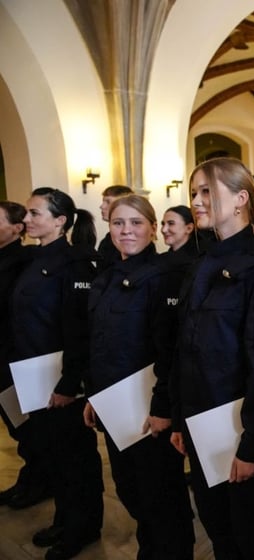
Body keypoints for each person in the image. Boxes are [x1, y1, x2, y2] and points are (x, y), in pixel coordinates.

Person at [171, 158, 254, 560]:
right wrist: (180, 420)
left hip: (241, 433)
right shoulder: (201, 264)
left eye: (206, 191)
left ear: (242, 198)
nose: (196, 201)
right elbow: (184, 348)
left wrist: (253, 445)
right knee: (221, 533)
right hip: (200, 424)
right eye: (193, 193)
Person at [84, 195, 195, 558]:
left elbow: (169, 350)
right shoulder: (106, 277)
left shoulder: (166, 277)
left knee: (161, 495)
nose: (126, 230)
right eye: (118, 223)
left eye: (135, 222)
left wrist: (163, 407)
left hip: (150, 409)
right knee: (129, 489)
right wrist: (93, 397)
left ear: (152, 228)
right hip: (113, 407)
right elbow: (99, 344)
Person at [10, 187, 104, 560]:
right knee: (55, 458)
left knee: (76, 460)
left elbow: (78, 331)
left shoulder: (74, 264)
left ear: (60, 221)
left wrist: (68, 385)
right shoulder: (35, 258)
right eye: (28, 214)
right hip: (35, 376)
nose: (27, 220)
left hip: (60, 381)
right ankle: (66, 519)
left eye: (35, 214)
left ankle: (83, 527)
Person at [0, 201, 51, 510]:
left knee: (27, 428)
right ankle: (31, 477)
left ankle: (39, 481)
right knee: (16, 426)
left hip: (14, 357)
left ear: (17, 229)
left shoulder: (24, 261)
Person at [97, 184, 133, 268]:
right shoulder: (106, 240)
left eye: (108, 202)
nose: (102, 206)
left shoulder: (130, 238)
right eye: (103, 201)